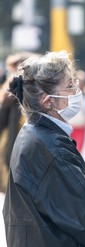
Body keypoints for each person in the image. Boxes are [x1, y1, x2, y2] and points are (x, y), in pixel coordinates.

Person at [2, 51, 85, 247]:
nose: (76, 91)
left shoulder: (38, 134)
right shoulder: (50, 146)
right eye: (69, 86)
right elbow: (84, 212)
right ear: (47, 101)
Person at [0, 51, 34, 193]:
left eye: (16, 67)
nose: (12, 71)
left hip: (24, 135)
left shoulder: (30, 87)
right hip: (12, 133)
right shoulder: (10, 87)